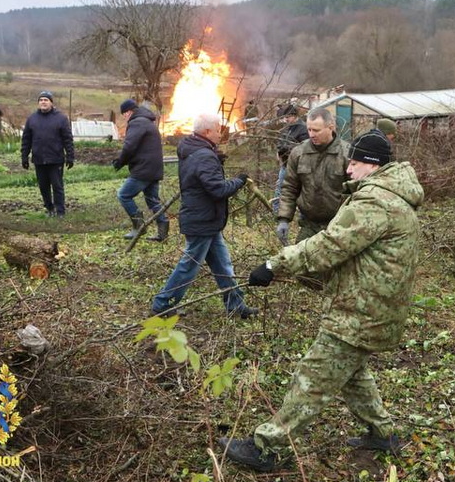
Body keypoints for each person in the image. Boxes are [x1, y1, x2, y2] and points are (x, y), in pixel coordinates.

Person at [219, 129, 423, 471]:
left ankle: (266, 448)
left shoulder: (376, 202)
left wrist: (274, 265)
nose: (348, 169)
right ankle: (383, 434)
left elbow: (329, 245)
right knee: (352, 373)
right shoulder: (392, 196)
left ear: (373, 165)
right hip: (373, 306)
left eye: (355, 163)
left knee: (312, 378)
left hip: (360, 310)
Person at [148, 112, 256, 319]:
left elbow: (200, 178)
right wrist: (239, 180)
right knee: (189, 266)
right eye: (217, 129)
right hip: (202, 220)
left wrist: (215, 162)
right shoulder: (204, 156)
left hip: (206, 219)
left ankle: (236, 305)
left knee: (223, 265)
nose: (220, 133)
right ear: (207, 131)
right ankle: (163, 303)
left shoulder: (193, 149)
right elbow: (218, 190)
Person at [277, 106, 350, 245]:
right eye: (309, 130)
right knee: (300, 256)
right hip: (309, 224)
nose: (311, 134)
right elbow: (290, 188)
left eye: (316, 130)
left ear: (330, 128)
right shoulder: (299, 153)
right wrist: (284, 219)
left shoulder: (346, 154)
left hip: (338, 225)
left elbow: (357, 192)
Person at [112, 98, 169, 241]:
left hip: (143, 169)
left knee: (124, 195)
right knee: (152, 200)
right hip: (154, 168)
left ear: (128, 112)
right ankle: (163, 231)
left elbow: (129, 146)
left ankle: (139, 226)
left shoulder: (137, 122)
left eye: (124, 114)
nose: (124, 117)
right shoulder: (147, 121)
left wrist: (120, 162)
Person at [21, 91, 74, 217]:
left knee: (57, 186)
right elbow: (26, 139)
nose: (43, 102)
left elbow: (67, 139)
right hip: (39, 159)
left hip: (56, 159)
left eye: (46, 100)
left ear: (51, 103)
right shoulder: (32, 119)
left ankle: (60, 212)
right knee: (43, 186)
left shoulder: (61, 118)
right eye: (41, 100)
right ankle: (49, 208)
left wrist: (70, 156)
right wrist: (24, 156)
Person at [272, 104, 308, 208]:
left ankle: (297, 210)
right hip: (285, 164)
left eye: (287, 117)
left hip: (296, 166)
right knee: (280, 188)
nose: (286, 119)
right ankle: (276, 211)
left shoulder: (303, 129)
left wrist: (285, 149)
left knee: (294, 189)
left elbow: (302, 148)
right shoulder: (287, 128)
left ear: (294, 115)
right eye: (285, 117)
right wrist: (279, 151)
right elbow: (280, 141)